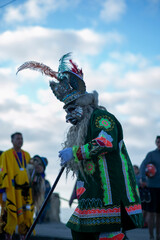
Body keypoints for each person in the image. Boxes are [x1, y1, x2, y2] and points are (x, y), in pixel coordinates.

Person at [17, 53, 143, 240]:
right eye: (65, 110)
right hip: (92, 192)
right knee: (79, 231)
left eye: (71, 108)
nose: (68, 116)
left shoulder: (100, 117)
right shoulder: (82, 127)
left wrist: (74, 153)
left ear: (83, 104)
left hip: (109, 191)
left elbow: (105, 142)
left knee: (107, 234)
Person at [0, 132, 34, 240]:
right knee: (9, 214)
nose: (20, 140)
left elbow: (31, 173)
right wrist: (3, 190)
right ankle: (8, 237)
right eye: (18, 138)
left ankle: (23, 237)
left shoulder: (27, 155)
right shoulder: (6, 154)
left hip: (24, 191)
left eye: (21, 138)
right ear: (12, 141)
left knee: (25, 214)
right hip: (11, 190)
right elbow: (2, 172)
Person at [140, 136, 160, 240]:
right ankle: (151, 236)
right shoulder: (151, 154)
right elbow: (143, 166)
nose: (159, 143)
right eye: (158, 141)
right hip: (152, 187)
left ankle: (158, 236)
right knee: (151, 214)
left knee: (159, 215)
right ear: (156, 143)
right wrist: (143, 178)